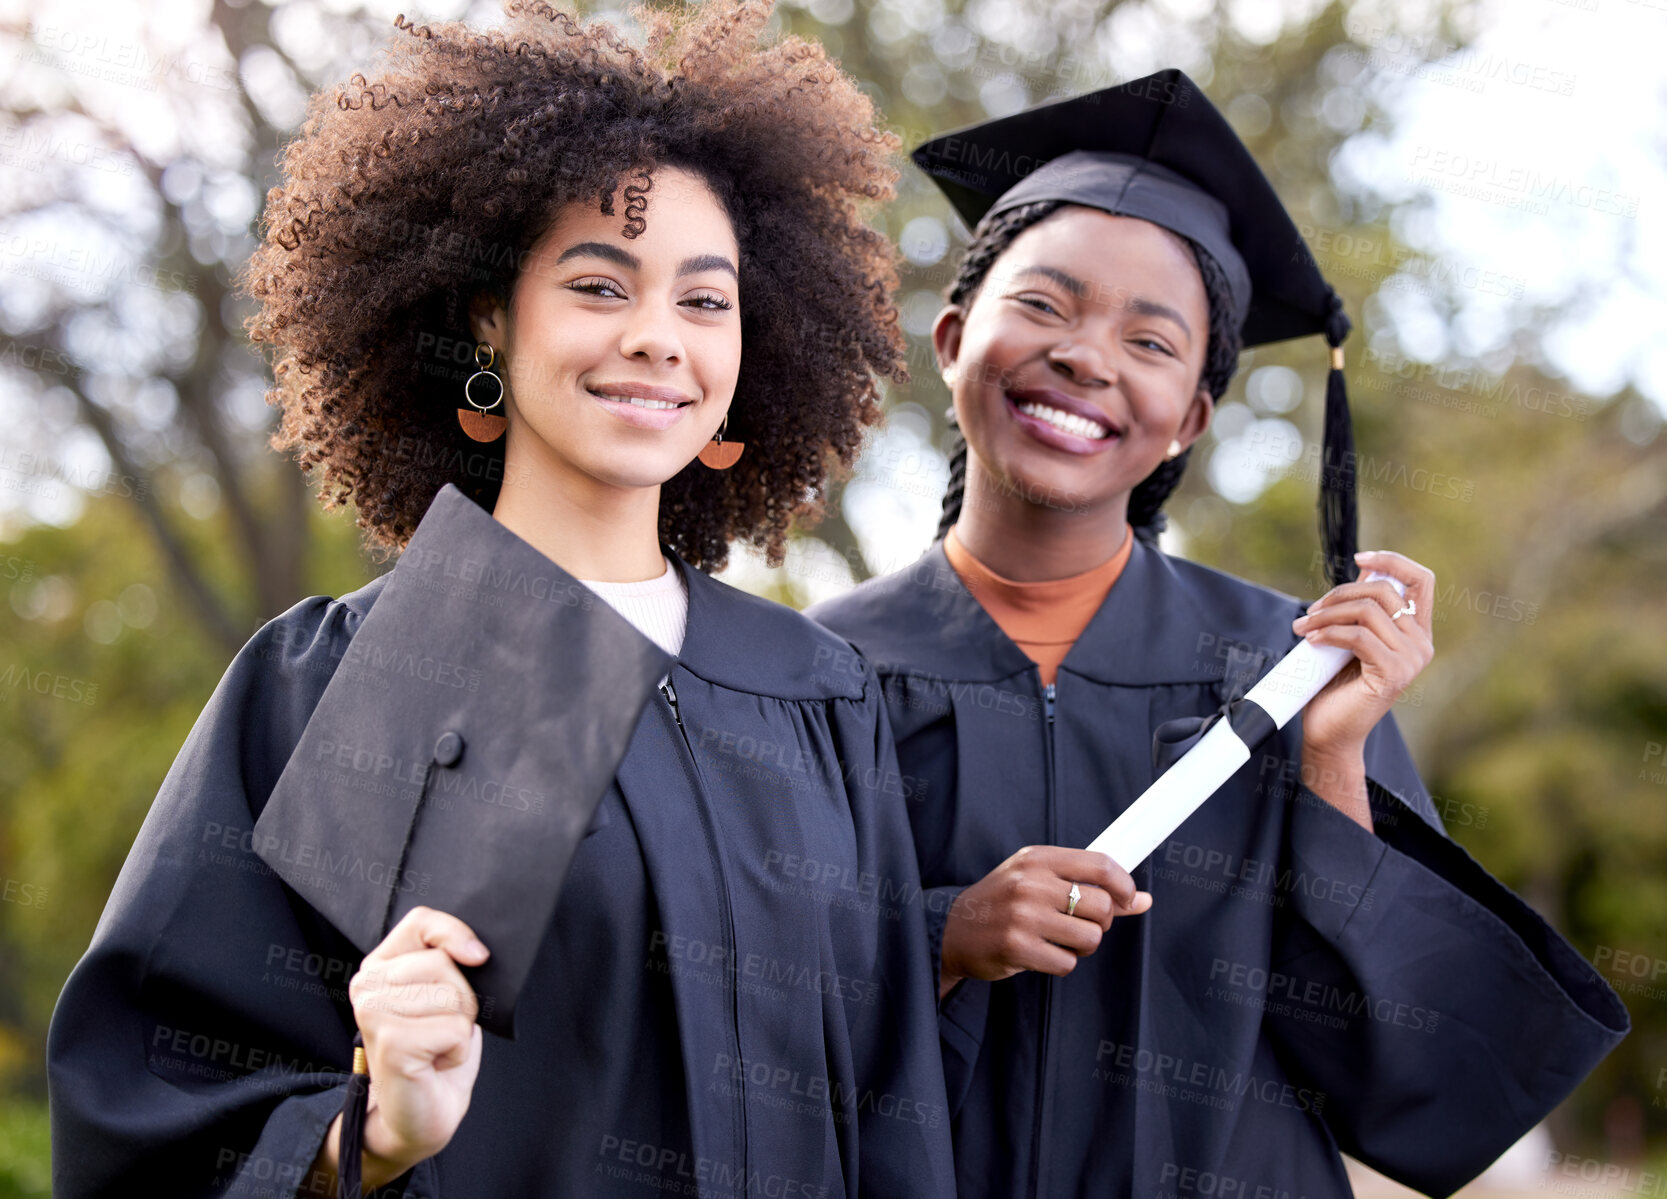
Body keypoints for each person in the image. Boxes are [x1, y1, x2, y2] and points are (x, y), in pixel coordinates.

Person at [46, 3, 956, 1196]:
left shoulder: (815, 693)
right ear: (491, 317)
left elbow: (892, 1109)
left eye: (703, 299)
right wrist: (367, 1134)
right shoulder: (343, 678)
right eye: (596, 283)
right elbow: (151, 1094)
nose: (655, 339)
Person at [811, 71, 1628, 1199]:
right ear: (952, 338)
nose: (1087, 357)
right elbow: (734, 1013)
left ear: (1192, 415)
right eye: (1042, 305)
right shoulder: (807, 674)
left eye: (1150, 341)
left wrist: (1333, 761)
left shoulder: (1288, 673)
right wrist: (943, 937)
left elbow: (1398, 1075)